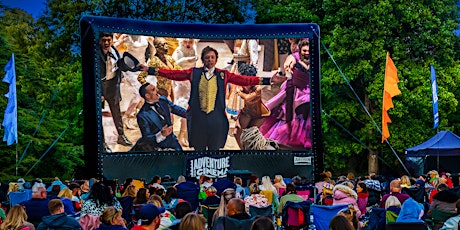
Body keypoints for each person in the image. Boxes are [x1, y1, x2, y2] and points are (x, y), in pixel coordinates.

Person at [142, 46, 273, 150]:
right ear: (203, 60)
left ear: (216, 59)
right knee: (199, 150)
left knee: (214, 150)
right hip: (198, 118)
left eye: (212, 57)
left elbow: (244, 80)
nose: (210, 60)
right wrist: (150, 70)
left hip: (216, 119)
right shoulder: (194, 72)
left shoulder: (223, 74)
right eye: (207, 57)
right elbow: (174, 74)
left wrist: (268, 80)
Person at [259, 39, 311, 150]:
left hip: (307, 93)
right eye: (304, 50)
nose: (306, 52)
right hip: (294, 91)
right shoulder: (295, 56)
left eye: (308, 50)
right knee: (285, 114)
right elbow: (290, 59)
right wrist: (288, 65)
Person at [99, 32, 133, 152]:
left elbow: (117, 64)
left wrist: (122, 75)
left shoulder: (113, 50)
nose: (106, 43)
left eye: (108, 40)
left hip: (113, 85)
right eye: (104, 40)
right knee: (98, 116)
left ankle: (121, 135)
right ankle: (102, 144)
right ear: (99, 41)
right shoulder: (96, 54)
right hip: (101, 87)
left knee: (117, 112)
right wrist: (100, 92)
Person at [130, 83, 186, 151]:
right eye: (153, 90)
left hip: (172, 141)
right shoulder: (142, 115)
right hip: (156, 148)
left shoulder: (163, 100)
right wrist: (161, 135)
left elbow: (177, 109)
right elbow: (147, 138)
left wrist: (194, 115)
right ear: (147, 96)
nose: (157, 90)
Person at [171, 38, 199, 147]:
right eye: (186, 42)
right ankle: (181, 133)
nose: (188, 44)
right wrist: (187, 60)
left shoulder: (194, 49)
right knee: (183, 106)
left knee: (191, 107)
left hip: (190, 81)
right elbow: (175, 65)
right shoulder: (178, 51)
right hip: (180, 82)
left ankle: (185, 132)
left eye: (190, 42)